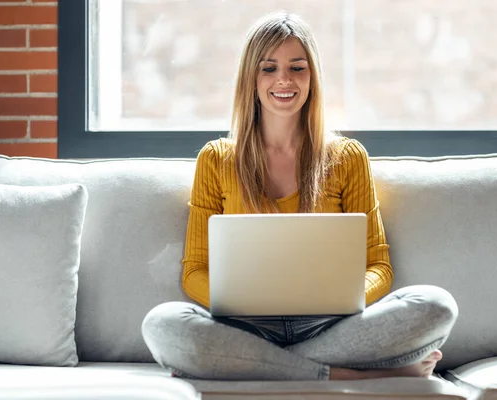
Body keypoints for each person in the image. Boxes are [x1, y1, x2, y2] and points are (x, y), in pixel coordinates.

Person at [142, 11, 458, 381]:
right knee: (163, 324)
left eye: (297, 68)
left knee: (435, 304)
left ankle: (259, 365)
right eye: (269, 68)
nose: (284, 80)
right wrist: (240, 305)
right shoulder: (216, 159)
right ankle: (346, 374)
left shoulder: (347, 157)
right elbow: (195, 270)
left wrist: (343, 301)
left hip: (331, 326)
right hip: (246, 326)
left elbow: (379, 267)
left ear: (312, 77)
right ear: (251, 78)